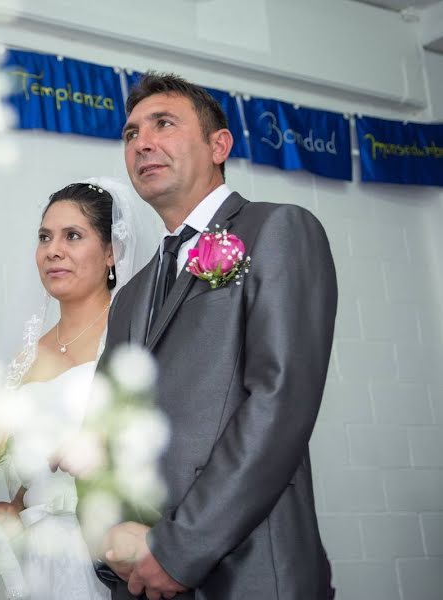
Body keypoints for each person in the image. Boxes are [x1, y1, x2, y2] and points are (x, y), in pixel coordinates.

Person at [82, 72, 337, 599]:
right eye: (131, 134)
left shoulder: (279, 230)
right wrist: (111, 544)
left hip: (250, 574)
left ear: (219, 144)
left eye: (163, 124)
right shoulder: (129, 296)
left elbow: (279, 400)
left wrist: (176, 550)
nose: (142, 143)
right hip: (141, 581)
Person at [0, 177, 156, 600]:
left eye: (73, 236)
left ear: (111, 251)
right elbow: (27, 476)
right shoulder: (25, 358)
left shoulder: (135, 339)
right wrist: (8, 511)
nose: (53, 250)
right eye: (45, 237)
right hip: (40, 564)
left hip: (112, 556)